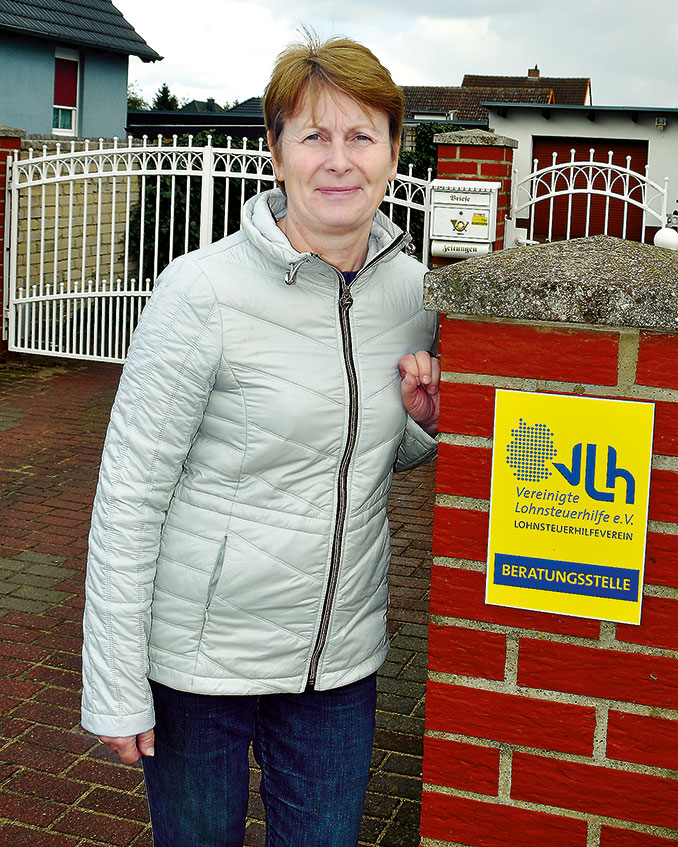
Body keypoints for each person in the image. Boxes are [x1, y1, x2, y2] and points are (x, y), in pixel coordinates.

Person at [81, 34, 439, 847]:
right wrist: (112, 684)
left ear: (392, 153)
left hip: (336, 666)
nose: (338, 160)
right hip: (199, 666)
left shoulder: (413, 295)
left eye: (361, 135)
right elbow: (129, 495)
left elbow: (372, 455)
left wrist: (422, 419)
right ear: (275, 153)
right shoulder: (200, 291)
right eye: (313, 136)